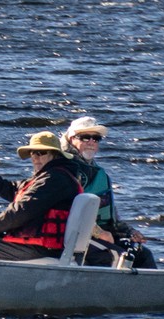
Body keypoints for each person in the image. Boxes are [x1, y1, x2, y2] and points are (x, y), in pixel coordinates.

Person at [0, 131, 85, 260]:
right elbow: (13, 190)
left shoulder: (54, 179)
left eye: (41, 153)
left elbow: (21, 211)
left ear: (55, 155)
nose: (35, 157)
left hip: (42, 249)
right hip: (41, 246)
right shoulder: (51, 176)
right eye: (32, 153)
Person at [62, 115, 156, 268]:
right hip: (76, 235)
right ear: (72, 139)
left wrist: (129, 231)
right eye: (85, 137)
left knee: (143, 255)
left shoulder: (98, 172)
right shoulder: (68, 168)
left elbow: (110, 213)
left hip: (101, 232)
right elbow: (68, 208)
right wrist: (100, 233)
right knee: (119, 257)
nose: (91, 142)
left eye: (96, 138)